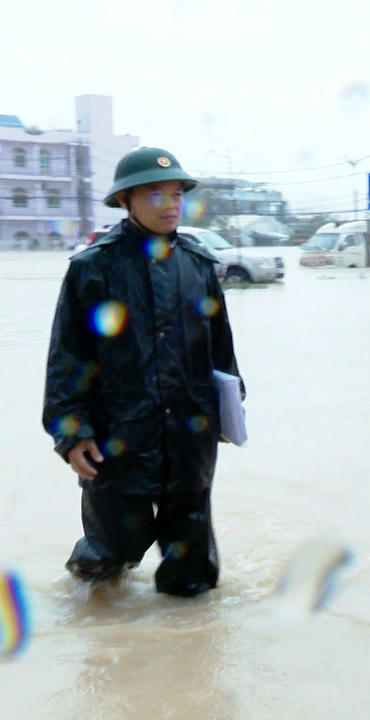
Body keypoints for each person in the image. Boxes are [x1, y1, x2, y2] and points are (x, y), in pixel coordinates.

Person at [43, 146, 242, 597]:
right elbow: (66, 357)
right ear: (126, 201)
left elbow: (221, 349)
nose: (172, 204)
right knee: (110, 552)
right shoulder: (92, 269)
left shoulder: (199, 265)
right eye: (156, 194)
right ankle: (90, 614)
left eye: (177, 194)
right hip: (118, 437)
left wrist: (229, 413)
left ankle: (191, 654)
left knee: (193, 570)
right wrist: (72, 434)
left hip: (190, 434)